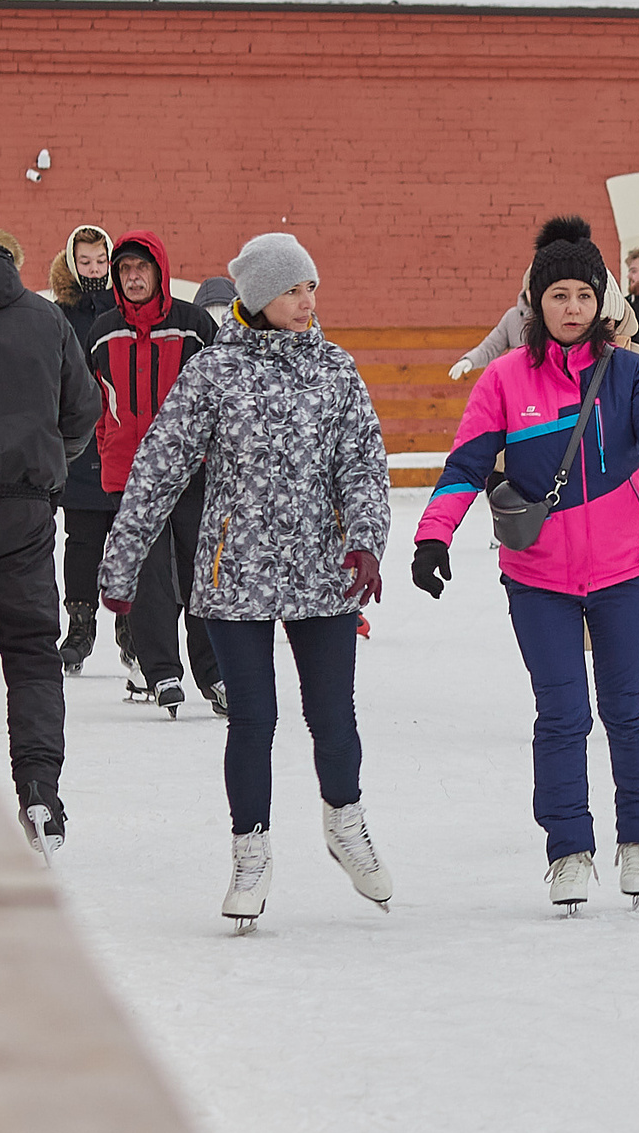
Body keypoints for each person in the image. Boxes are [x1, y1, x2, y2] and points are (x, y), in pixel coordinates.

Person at [99, 235, 394, 930]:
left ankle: (345, 822)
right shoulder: (214, 372)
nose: (307, 301)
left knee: (333, 715)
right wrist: (121, 564)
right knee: (253, 719)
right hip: (236, 574)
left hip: (321, 572)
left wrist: (366, 541)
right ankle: (250, 853)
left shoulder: (335, 368)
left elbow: (362, 462)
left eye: (310, 286)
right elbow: (160, 466)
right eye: (292, 290)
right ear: (259, 298)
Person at [414, 218, 639, 914]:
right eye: (558, 295)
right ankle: (569, 850)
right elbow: (466, 465)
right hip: (538, 578)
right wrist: (433, 536)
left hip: (626, 571)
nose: (572, 308)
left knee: (629, 708)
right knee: (562, 714)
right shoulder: (505, 379)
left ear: (601, 302)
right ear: (536, 304)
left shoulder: (630, 374)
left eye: (583, 295)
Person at [0, 196, 99, 853]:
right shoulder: (44, 317)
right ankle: (39, 792)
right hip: (26, 510)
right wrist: (44, 467)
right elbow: (82, 411)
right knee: (33, 655)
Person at [86, 231, 224, 717]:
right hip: (131, 475)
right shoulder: (102, 331)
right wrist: (108, 454)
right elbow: (98, 403)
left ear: (159, 272)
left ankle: (215, 673)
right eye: (124, 270)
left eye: (140, 268)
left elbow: (221, 397)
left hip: (192, 471)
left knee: (201, 573)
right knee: (147, 577)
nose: (133, 277)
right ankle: (161, 671)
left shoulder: (194, 326)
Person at [45, 222, 120, 675]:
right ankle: (80, 627)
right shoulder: (60, 315)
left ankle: (133, 632)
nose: (94, 269)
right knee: (82, 542)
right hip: (80, 445)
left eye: (100, 260)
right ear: (72, 265)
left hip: (124, 442)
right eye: (85, 261)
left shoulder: (127, 310)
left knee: (131, 542)